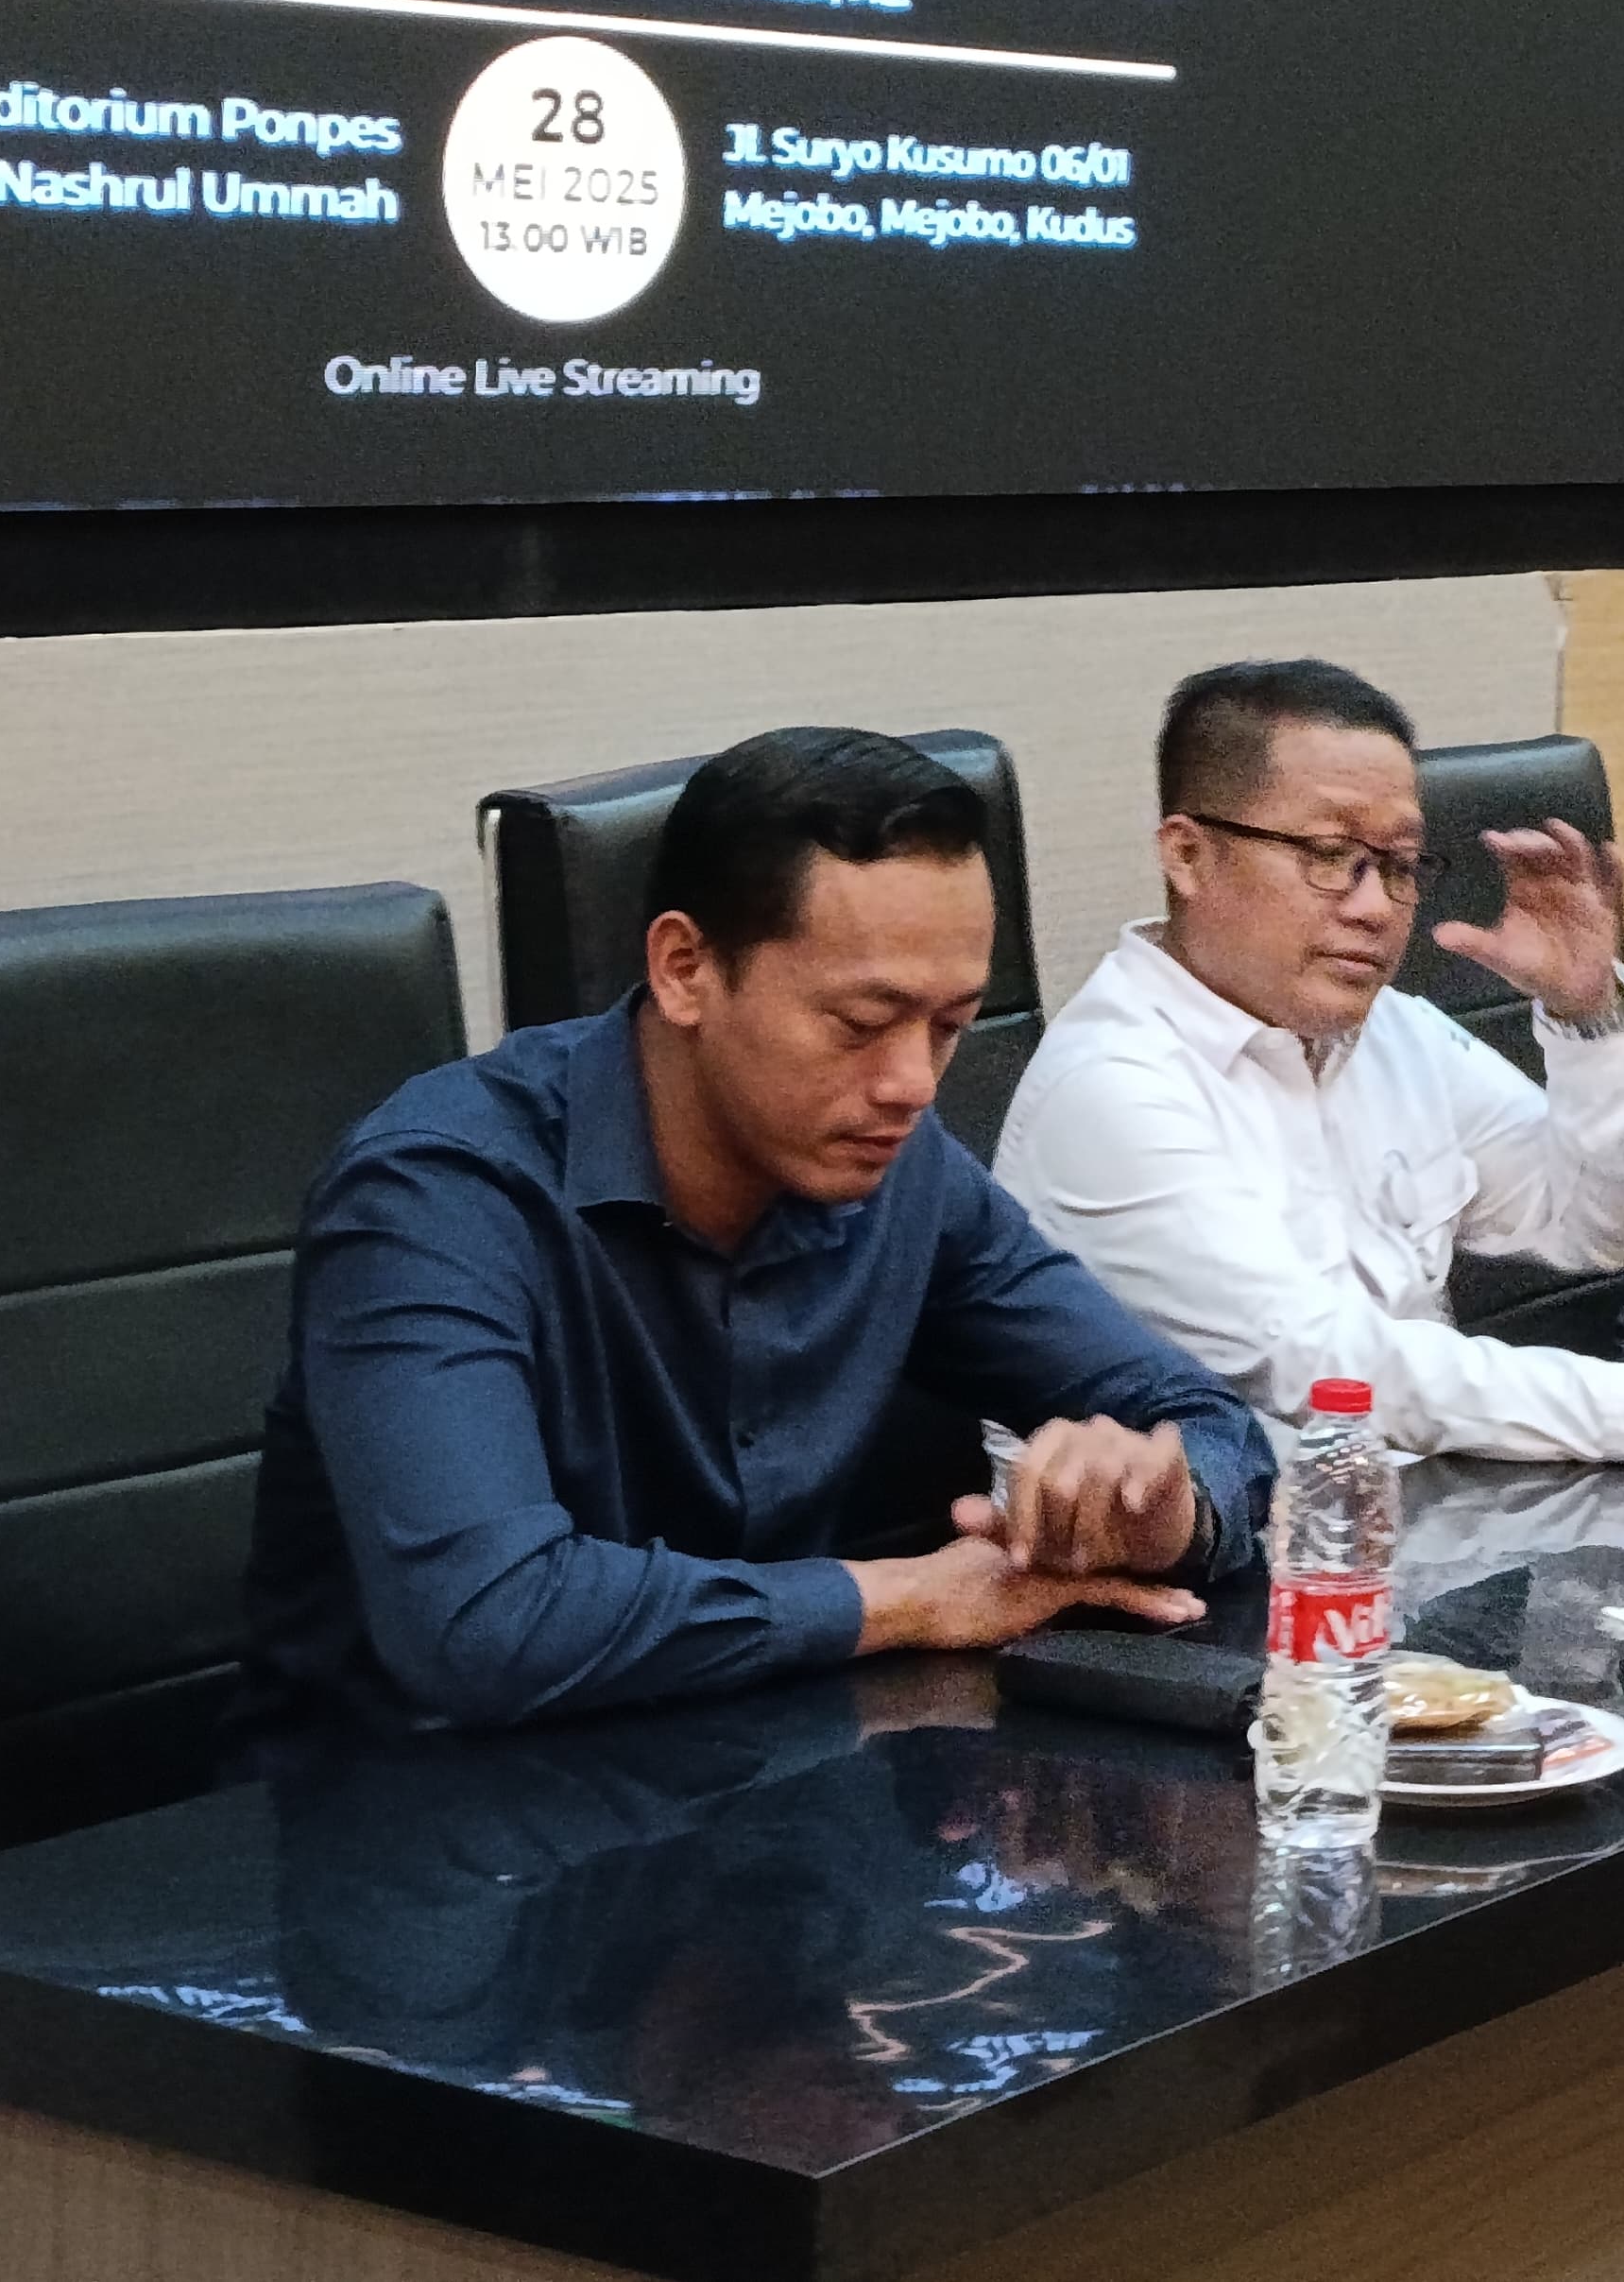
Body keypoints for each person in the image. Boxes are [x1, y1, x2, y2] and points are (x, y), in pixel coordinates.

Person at [232, 729, 1274, 1759]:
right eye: (861, 1023)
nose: (913, 1083)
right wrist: (910, 1598)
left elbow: (1211, 1425)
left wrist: (1162, 1505)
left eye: (949, 1025)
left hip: (768, 1766)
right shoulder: (437, 1193)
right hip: (424, 1815)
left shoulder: (900, 1166)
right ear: (685, 968)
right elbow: (485, 1623)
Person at [996, 660, 1624, 1471]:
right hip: (1210, 1560)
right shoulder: (1112, 1085)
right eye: (1329, 856)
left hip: (1429, 1508)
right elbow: (1330, 1367)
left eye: (1398, 864)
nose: (1374, 907)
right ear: (1188, 853)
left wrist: (1588, 1017)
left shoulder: (1394, 1031)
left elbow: (1604, 1229)